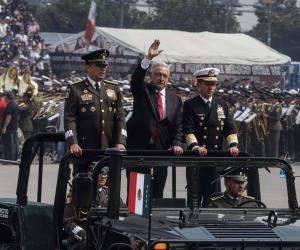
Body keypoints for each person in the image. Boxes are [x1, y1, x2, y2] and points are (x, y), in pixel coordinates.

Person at [127, 39, 183, 198]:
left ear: (169, 78)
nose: (161, 78)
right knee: (137, 196)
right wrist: (148, 58)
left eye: (165, 75)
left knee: (157, 194)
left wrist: (177, 143)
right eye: (158, 74)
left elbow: (178, 126)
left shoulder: (175, 99)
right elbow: (136, 79)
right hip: (139, 150)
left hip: (161, 152)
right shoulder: (142, 91)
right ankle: (135, 222)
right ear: (151, 76)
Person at [64, 48, 127, 174]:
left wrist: (120, 142)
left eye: (105, 65)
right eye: (99, 65)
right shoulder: (76, 89)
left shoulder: (113, 88)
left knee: (107, 189)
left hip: (109, 149)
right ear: (87, 67)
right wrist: (73, 142)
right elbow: (69, 118)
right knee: (83, 187)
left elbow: (120, 118)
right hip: (84, 150)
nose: (103, 69)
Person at [183, 68, 239, 207]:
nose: (211, 87)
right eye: (207, 84)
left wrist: (233, 145)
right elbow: (188, 129)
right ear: (199, 84)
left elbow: (229, 128)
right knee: (194, 198)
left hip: (214, 158)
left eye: (213, 84)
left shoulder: (221, 104)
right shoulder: (190, 104)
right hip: (196, 159)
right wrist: (195, 147)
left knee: (213, 199)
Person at [2, 91, 19, 160]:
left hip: (9, 128)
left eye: (4, 96)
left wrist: (4, 127)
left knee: (9, 143)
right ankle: (14, 157)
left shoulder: (10, 105)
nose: (4, 97)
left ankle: (9, 158)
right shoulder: (15, 104)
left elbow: (8, 117)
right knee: (14, 143)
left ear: (6, 97)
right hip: (14, 127)